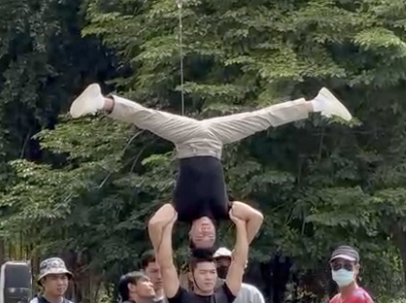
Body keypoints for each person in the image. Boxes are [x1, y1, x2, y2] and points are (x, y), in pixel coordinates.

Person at [70, 83, 352, 251]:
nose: (205, 232)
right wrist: (241, 250)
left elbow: (155, 224)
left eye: (199, 237)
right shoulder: (224, 210)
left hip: (188, 139)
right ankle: (317, 103)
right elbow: (256, 218)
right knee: (261, 118)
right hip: (216, 138)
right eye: (211, 236)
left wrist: (162, 252)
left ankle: (102, 102)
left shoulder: (179, 211)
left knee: (148, 117)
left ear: (190, 235)